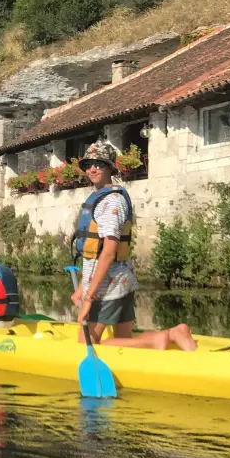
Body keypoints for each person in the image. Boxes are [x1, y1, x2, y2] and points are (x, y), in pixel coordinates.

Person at [72, 140, 197, 351]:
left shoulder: (111, 202)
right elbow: (96, 251)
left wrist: (88, 298)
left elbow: (108, 253)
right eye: (88, 165)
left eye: (99, 164)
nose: (92, 169)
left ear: (110, 167)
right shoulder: (105, 197)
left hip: (107, 285)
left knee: (86, 345)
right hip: (121, 278)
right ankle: (173, 335)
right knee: (125, 339)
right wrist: (82, 287)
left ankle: (163, 337)